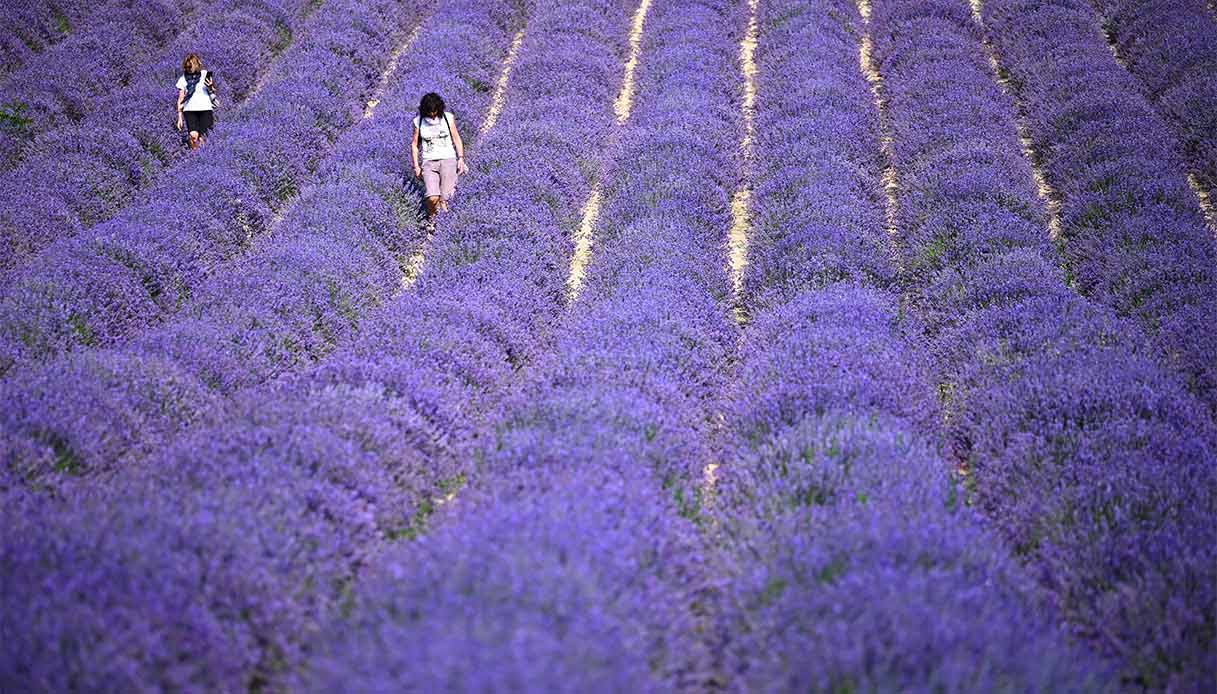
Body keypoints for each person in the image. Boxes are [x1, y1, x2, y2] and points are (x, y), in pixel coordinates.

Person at [411, 92, 468, 217]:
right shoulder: (418, 121)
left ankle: (442, 224)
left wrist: (461, 158)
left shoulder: (448, 118)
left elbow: (456, 138)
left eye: (435, 111)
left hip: (448, 160)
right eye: (429, 112)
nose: (432, 114)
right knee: (432, 197)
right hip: (429, 162)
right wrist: (416, 166)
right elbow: (415, 145)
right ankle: (432, 219)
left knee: (445, 199)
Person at [176, 53, 217, 150]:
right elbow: (180, 99)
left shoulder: (205, 74)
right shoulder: (182, 79)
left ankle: (204, 156)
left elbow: (213, 91)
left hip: (205, 108)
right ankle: (194, 155)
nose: (188, 69)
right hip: (189, 109)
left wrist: (210, 86)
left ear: (196, 65)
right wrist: (179, 117)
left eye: (190, 66)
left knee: (203, 138)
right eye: (186, 67)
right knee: (193, 136)